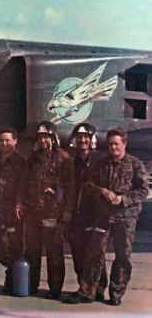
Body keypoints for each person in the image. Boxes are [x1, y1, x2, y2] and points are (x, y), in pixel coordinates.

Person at [63, 128, 148, 306]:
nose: (113, 147)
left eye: (116, 144)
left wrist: (123, 199)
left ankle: (116, 293)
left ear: (124, 144)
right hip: (103, 217)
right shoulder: (101, 164)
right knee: (94, 254)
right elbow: (89, 185)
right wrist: (103, 191)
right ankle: (88, 291)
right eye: (110, 144)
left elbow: (143, 190)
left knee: (122, 257)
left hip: (125, 219)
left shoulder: (135, 165)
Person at [18, 121, 75, 299]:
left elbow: (70, 188)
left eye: (46, 137)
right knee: (32, 250)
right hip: (33, 212)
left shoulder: (64, 159)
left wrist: (67, 211)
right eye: (40, 137)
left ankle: (55, 288)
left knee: (53, 251)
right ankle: (32, 285)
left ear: (53, 138)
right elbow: (23, 182)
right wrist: (19, 202)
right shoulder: (33, 158)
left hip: (52, 212)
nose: (43, 140)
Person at [66, 123, 107, 300]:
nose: (83, 140)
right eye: (79, 137)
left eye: (86, 137)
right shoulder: (71, 162)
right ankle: (85, 286)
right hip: (76, 213)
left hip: (96, 214)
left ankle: (96, 289)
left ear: (92, 140)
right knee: (78, 253)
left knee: (96, 254)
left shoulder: (101, 160)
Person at [0, 128, 28, 295]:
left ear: (15, 141)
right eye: (1, 140)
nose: (4, 143)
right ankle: (13, 267)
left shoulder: (21, 161)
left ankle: (13, 280)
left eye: (8, 140)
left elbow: (23, 185)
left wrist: (19, 203)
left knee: (15, 245)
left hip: (13, 210)